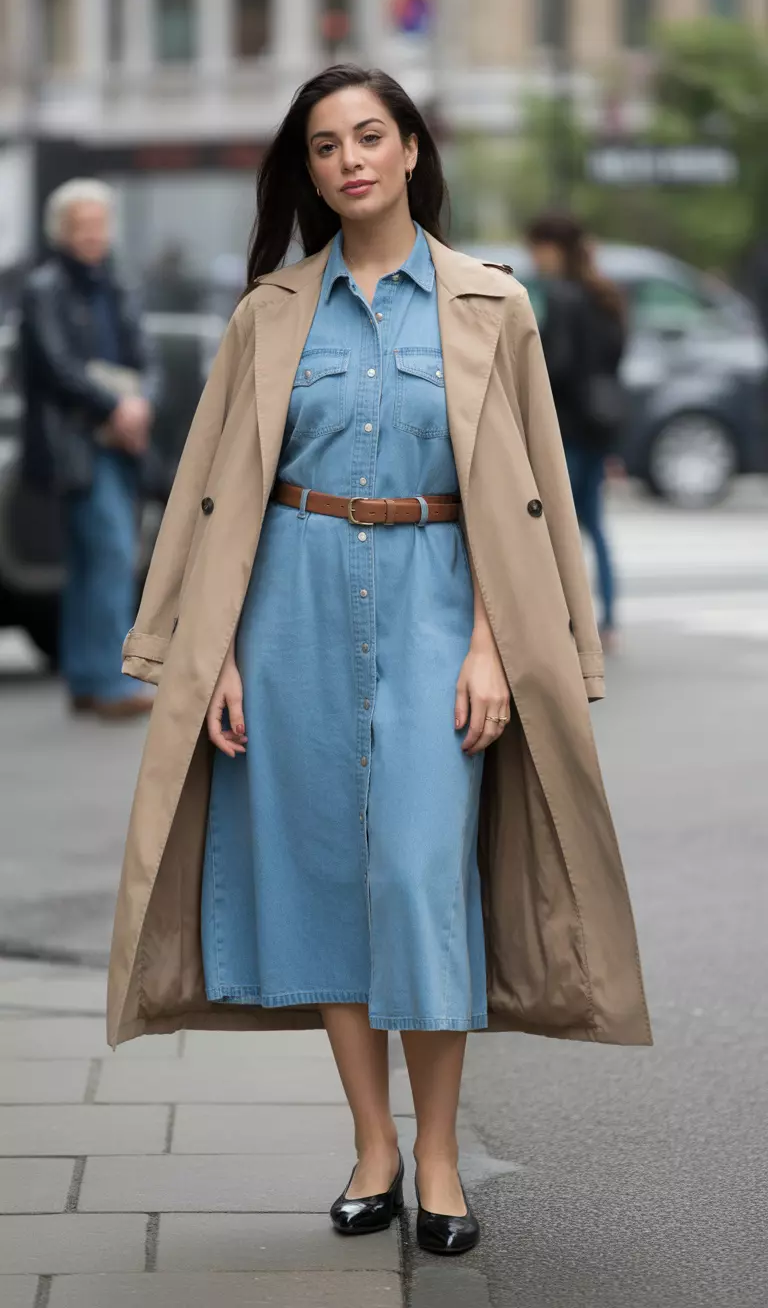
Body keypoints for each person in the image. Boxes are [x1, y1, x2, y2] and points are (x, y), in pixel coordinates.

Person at [106, 66, 651, 1258]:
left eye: (369, 135)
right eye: (322, 145)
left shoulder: (490, 307)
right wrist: (216, 656)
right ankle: (374, 1147)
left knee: (415, 880)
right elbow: (215, 490)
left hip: (438, 609)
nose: (347, 159)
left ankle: (442, 1155)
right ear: (306, 171)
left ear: (410, 150)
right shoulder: (266, 315)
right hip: (288, 611)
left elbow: (530, 498)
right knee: (320, 885)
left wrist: (498, 645)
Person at [20, 179, 160, 718]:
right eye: (83, 225)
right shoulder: (45, 287)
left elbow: (145, 357)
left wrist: (141, 403)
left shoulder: (118, 284)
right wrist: (114, 407)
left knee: (93, 560)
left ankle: (85, 678)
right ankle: (108, 681)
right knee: (108, 557)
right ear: (62, 232)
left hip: (122, 439)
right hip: (77, 443)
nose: (94, 234)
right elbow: (56, 367)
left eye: (100, 224)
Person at [525, 214, 627, 650]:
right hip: (599, 426)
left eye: (537, 248)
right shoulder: (606, 296)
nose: (535, 258)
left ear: (553, 248)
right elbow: (615, 358)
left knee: (558, 526)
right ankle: (608, 620)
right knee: (594, 524)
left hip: (565, 427)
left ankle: (566, 620)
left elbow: (557, 365)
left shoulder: (562, 297)